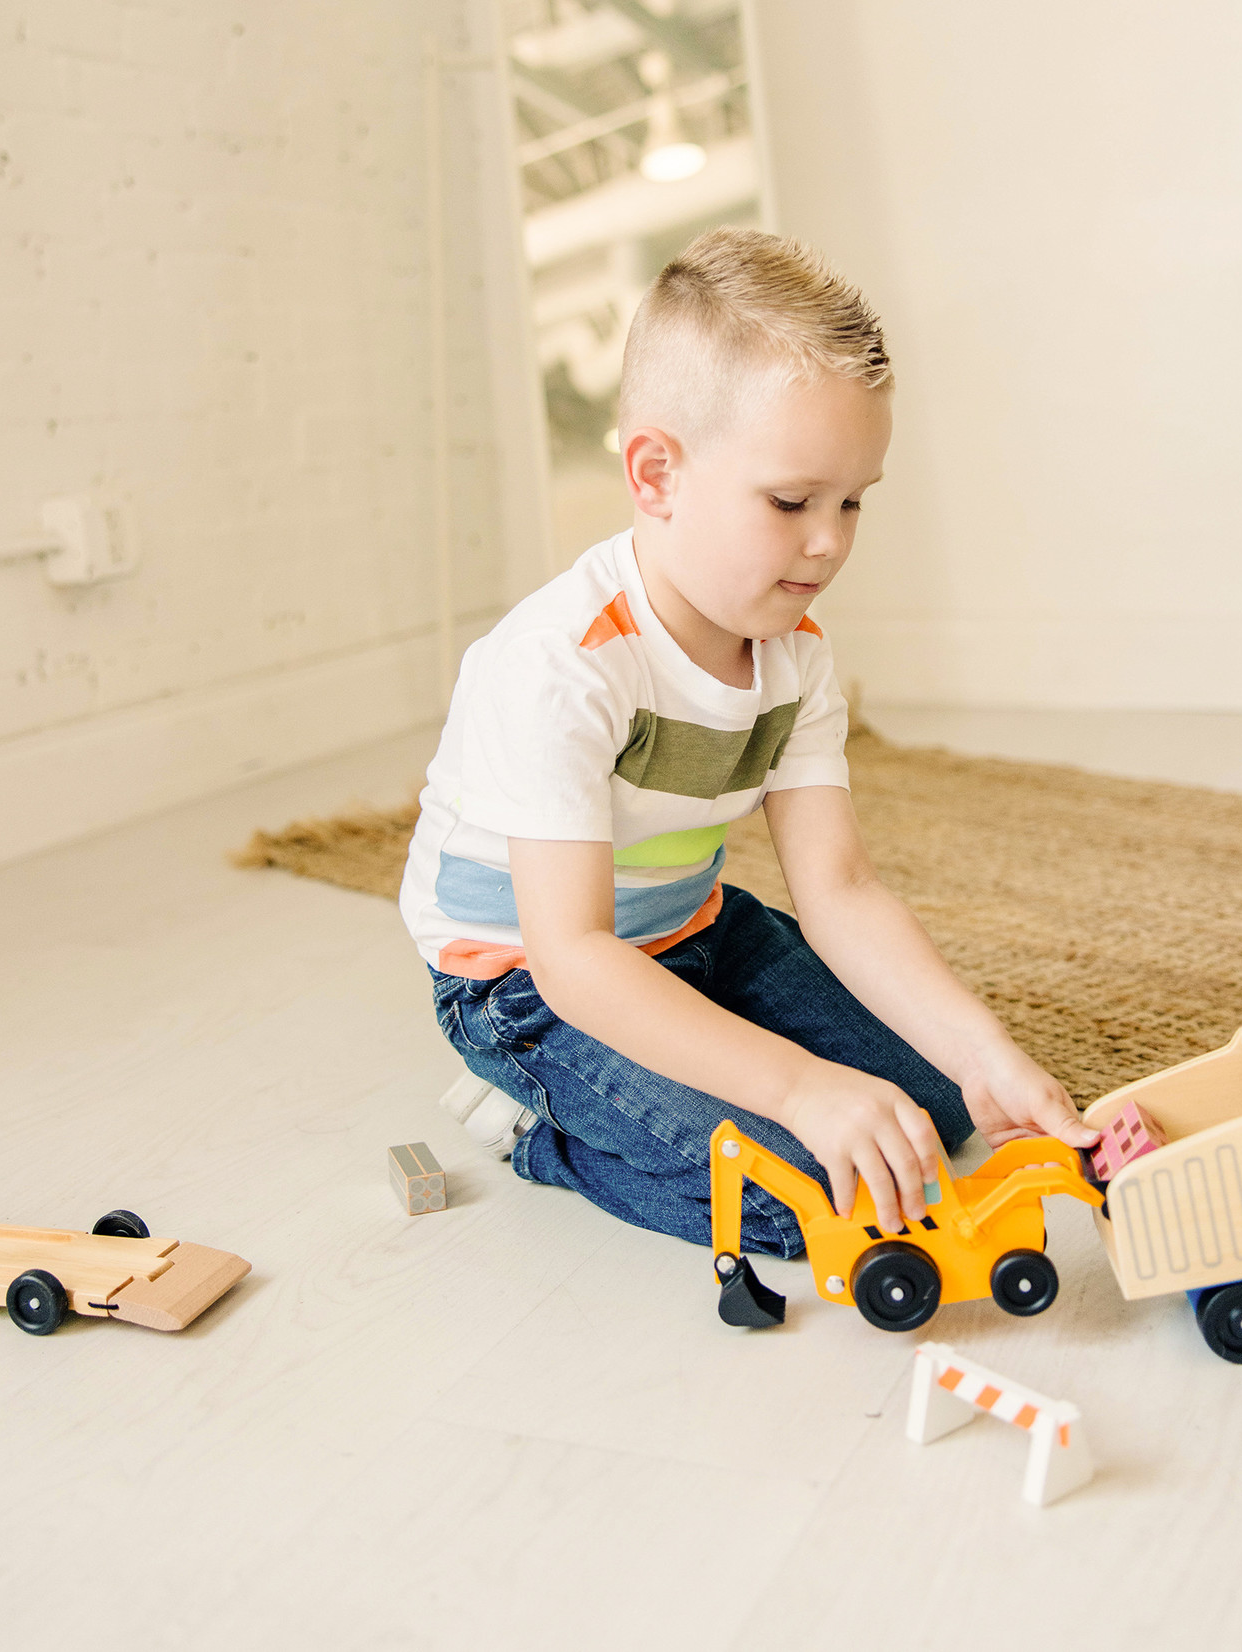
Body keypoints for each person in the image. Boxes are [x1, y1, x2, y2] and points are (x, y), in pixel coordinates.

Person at [400, 226, 1096, 1257]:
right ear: (655, 474)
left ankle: (728, 1073)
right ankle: (539, 1136)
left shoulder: (794, 655)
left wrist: (985, 1052)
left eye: (851, 499)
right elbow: (574, 957)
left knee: (930, 1109)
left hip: (693, 931)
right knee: (804, 1189)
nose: (829, 540)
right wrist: (801, 1085)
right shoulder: (558, 665)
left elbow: (841, 890)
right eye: (789, 501)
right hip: (521, 983)